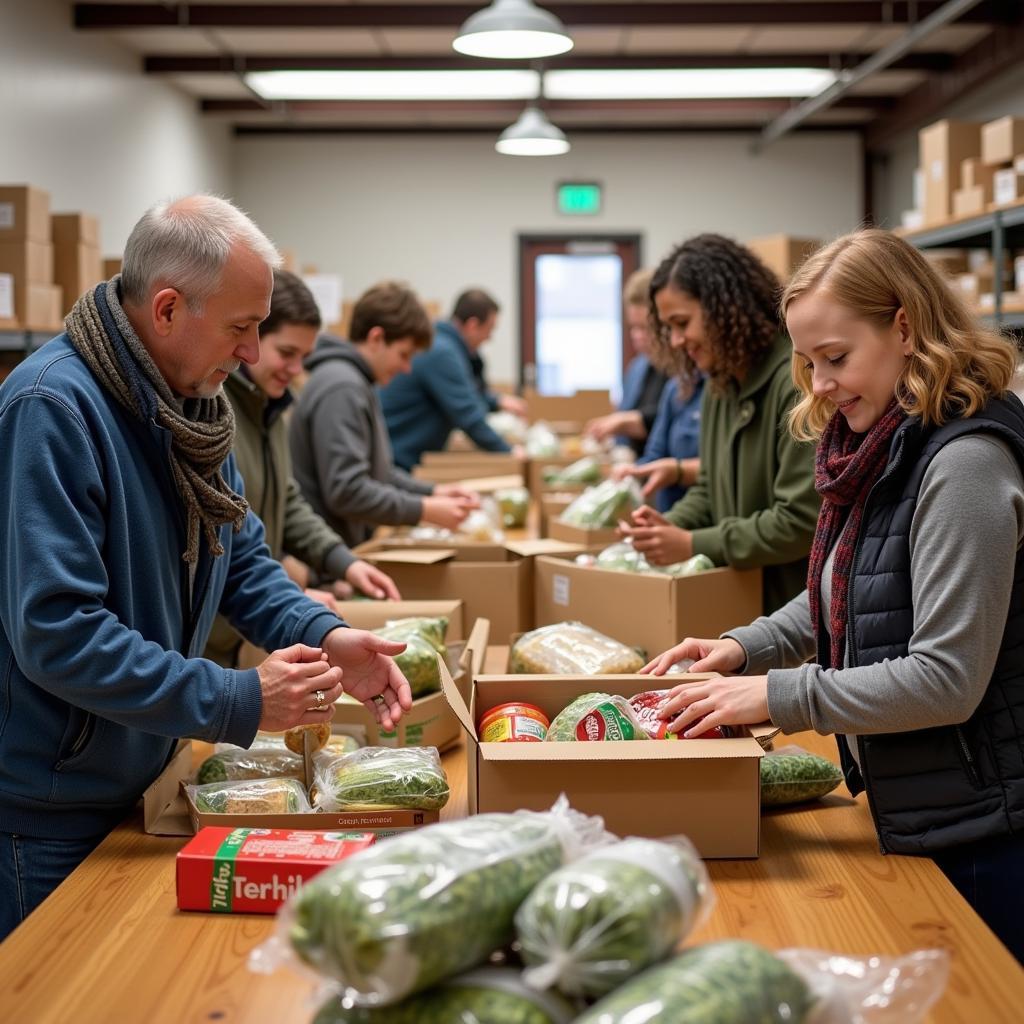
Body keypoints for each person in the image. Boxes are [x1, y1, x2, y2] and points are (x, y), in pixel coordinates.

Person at [0, 196, 411, 941]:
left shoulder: (192, 402)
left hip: (143, 776)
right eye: (241, 327)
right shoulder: (51, 409)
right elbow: (56, 633)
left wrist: (326, 634)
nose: (252, 352)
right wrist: (238, 698)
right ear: (165, 310)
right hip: (50, 813)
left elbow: (242, 554)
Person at [643, 228, 1024, 963]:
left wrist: (777, 695)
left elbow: (947, 681)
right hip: (925, 799)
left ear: (905, 327)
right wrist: (742, 646)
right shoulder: (883, 442)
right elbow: (842, 588)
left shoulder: (965, 463)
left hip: (988, 824)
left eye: (837, 358)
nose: (819, 385)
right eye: (809, 362)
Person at [204, 270, 401, 668]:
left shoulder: (272, 409)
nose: (296, 369)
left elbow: (286, 500)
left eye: (303, 358)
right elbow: (221, 543)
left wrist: (343, 560)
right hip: (212, 637)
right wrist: (294, 593)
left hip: (248, 625)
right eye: (286, 353)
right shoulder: (214, 412)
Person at [617, 234, 820, 614]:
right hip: (740, 604)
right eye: (668, 328)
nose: (676, 340)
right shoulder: (719, 384)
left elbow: (800, 521)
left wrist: (691, 543)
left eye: (682, 323)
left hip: (792, 617)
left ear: (726, 308)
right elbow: (711, 488)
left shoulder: (794, 383)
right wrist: (664, 529)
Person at [290, 281, 480, 548]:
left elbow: (378, 473)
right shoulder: (342, 387)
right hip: (325, 559)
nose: (406, 368)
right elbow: (348, 492)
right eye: (403, 354)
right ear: (376, 338)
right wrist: (425, 510)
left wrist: (434, 492)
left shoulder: (357, 381)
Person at [379, 288, 515, 469]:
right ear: (473, 325)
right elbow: (467, 413)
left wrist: (496, 400)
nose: (489, 338)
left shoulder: (446, 345)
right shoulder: (442, 352)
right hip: (397, 456)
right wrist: (509, 452)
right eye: (489, 329)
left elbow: (467, 393)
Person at [585, 268, 669, 456]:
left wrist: (628, 422)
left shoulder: (684, 372)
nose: (637, 336)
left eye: (645, 328)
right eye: (633, 327)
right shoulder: (637, 369)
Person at [614, 374, 704, 513]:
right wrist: (635, 470)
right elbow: (655, 452)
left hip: (700, 519)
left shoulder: (716, 391)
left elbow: (719, 474)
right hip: (672, 511)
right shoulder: (675, 388)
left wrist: (679, 471)